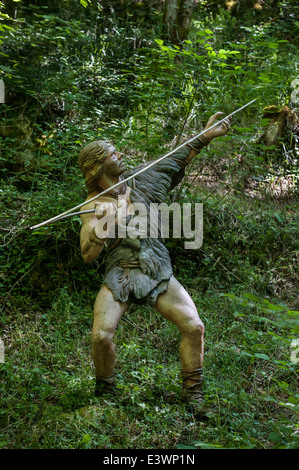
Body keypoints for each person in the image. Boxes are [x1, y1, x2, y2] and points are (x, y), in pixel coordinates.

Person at [78, 112, 231, 414]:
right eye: (112, 153)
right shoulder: (93, 206)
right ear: (98, 166)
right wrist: (108, 221)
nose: (118, 154)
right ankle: (105, 392)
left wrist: (206, 134)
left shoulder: (141, 181)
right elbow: (87, 254)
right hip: (120, 274)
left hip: (156, 270)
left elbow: (173, 159)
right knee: (100, 335)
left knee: (195, 327)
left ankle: (194, 395)